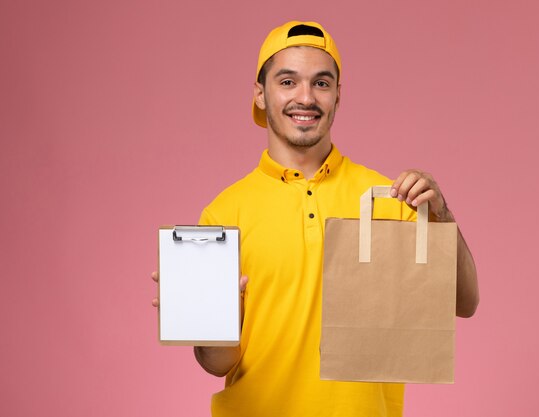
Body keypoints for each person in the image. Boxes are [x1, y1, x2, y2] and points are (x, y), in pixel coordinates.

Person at [152, 20, 479, 416]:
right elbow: (215, 363)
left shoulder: (391, 198)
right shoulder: (224, 214)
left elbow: (464, 301)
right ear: (260, 93)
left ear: (338, 95)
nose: (305, 97)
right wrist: (207, 316)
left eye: (321, 83)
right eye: (287, 82)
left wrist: (441, 215)